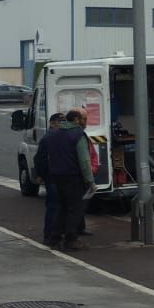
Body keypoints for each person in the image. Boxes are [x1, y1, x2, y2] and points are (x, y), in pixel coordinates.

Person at [44, 106, 94, 250]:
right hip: (73, 176)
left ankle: (54, 238)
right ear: (76, 119)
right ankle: (71, 240)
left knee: (61, 207)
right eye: (84, 119)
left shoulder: (54, 133)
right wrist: (90, 181)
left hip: (56, 176)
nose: (86, 122)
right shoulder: (78, 134)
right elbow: (84, 160)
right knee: (75, 209)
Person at [35, 112, 64, 244]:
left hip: (56, 175)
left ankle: (54, 233)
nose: (62, 124)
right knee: (53, 205)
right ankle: (49, 235)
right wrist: (41, 175)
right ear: (52, 123)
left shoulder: (57, 136)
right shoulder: (48, 138)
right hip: (52, 176)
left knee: (57, 205)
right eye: (60, 121)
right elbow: (40, 158)